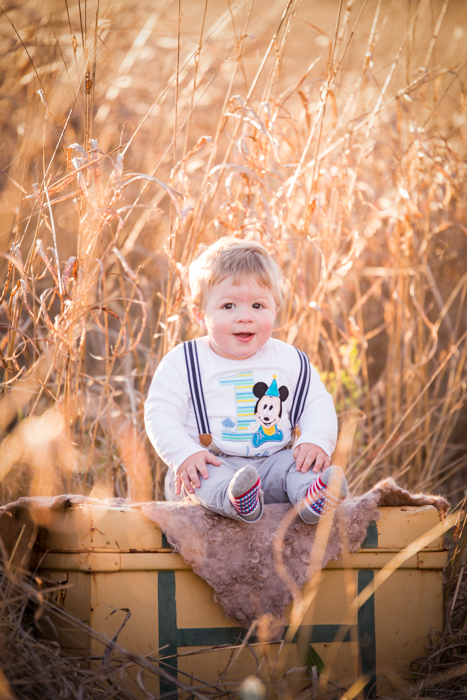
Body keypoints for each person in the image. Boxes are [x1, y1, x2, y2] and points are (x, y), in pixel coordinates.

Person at [145, 237, 348, 523]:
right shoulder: (185, 361)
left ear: (275, 308)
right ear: (200, 314)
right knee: (197, 478)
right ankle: (236, 499)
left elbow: (316, 403)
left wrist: (316, 441)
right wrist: (184, 454)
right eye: (228, 306)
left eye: (258, 305)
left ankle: (313, 497)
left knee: (299, 464)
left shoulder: (289, 360)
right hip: (210, 463)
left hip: (273, 463)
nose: (244, 317)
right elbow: (160, 413)